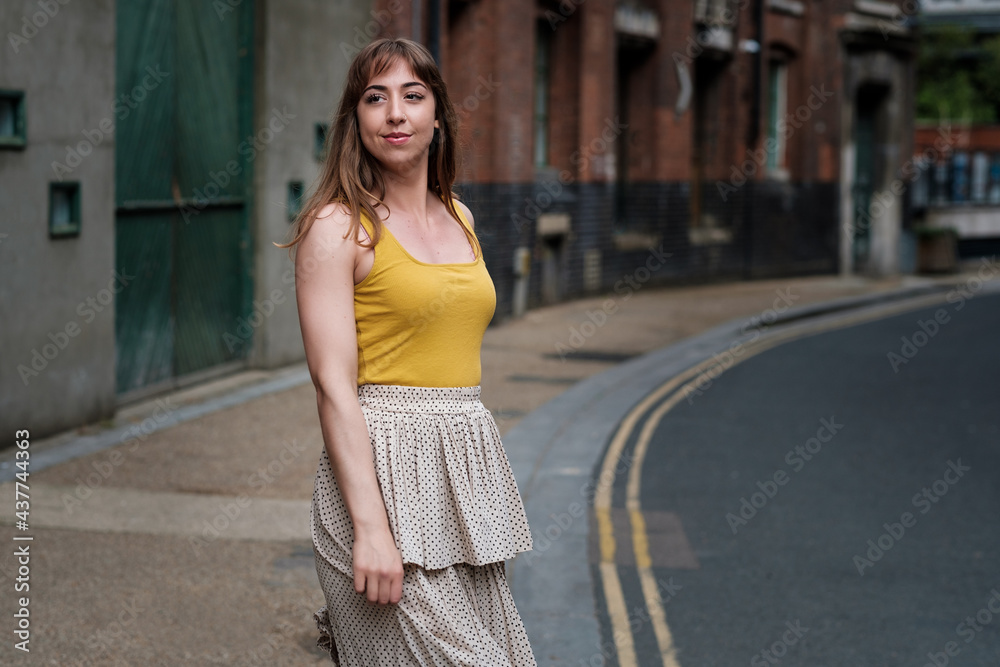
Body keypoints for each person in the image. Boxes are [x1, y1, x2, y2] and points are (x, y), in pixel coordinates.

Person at [276, 38, 536, 665]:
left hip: (462, 482)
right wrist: (370, 528)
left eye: (412, 96)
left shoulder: (462, 217)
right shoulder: (338, 227)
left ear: (437, 116)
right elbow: (333, 385)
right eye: (375, 98)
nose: (395, 113)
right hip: (382, 476)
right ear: (355, 119)